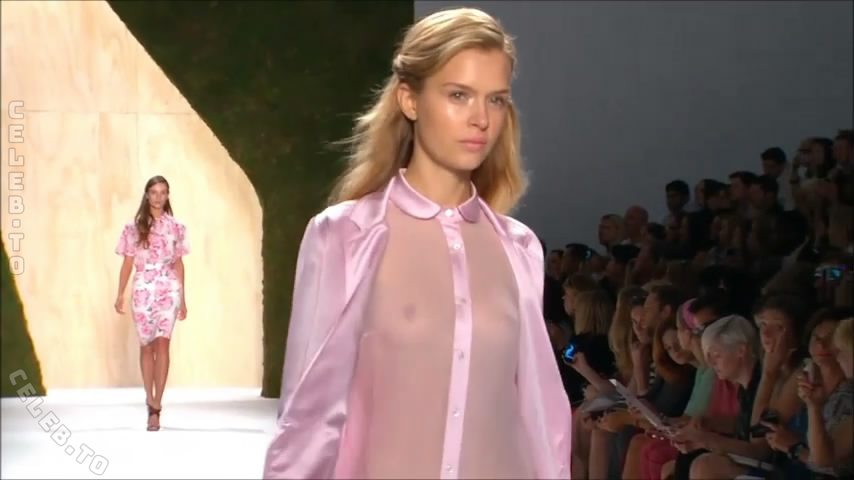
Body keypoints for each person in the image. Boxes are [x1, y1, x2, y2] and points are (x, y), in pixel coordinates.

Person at [262, 7, 571, 480]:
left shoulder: (519, 249)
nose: (480, 119)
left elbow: (540, 416)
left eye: (496, 100)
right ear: (409, 99)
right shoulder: (344, 236)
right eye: (458, 95)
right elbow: (309, 417)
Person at [114, 175, 189, 432]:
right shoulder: (133, 227)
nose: (158, 197)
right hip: (143, 289)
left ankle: (157, 406)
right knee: (146, 346)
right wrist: (120, 293)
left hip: (169, 287)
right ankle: (149, 399)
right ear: (147, 195)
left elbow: (179, 263)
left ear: (168, 196)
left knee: (163, 342)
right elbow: (127, 262)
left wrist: (183, 299)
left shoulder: (177, 227)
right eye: (154, 192)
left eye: (163, 192)